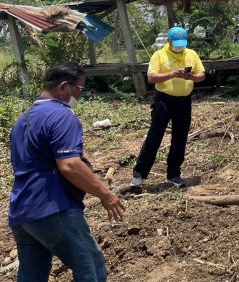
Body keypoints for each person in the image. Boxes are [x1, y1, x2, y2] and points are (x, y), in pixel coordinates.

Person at [8, 61, 126, 281]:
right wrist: (105, 194)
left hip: (21, 211)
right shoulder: (62, 115)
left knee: (31, 276)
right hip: (52, 208)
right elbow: (70, 164)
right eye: (79, 88)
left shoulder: (22, 120)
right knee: (91, 269)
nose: (80, 95)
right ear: (63, 87)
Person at [131, 26, 205, 189]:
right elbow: (151, 78)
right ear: (168, 41)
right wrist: (172, 74)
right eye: (176, 43)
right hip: (164, 100)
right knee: (154, 136)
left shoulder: (191, 54)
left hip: (184, 101)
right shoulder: (159, 55)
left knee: (180, 137)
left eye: (182, 43)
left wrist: (191, 76)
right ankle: (139, 175)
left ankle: (174, 174)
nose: (179, 46)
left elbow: (201, 75)